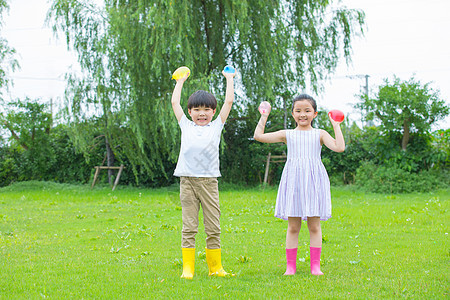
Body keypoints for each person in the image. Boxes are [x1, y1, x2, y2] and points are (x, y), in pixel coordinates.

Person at [253, 94, 345, 276]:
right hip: (293, 182)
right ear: (293, 114)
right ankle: (290, 267)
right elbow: (258, 136)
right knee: (293, 227)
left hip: (314, 182)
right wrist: (264, 116)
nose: (303, 114)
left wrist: (336, 126)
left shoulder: (320, 134)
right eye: (298, 111)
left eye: (307, 111)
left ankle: (315, 266)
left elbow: (339, 147)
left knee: (314, 226)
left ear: (315, 113)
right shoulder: (288, 134)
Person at [171, 68, 236, 279]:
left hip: (209, 183)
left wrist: (229, 79)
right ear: (190, 112)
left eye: (207, 109)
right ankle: (187, 269)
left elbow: (228, 103)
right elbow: (174, 103)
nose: (202, 113)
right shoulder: (186, 126)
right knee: (189, 227)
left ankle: (215, 268)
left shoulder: (216, 126)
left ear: (213, 112)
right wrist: (180, 82)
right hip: (187, 182)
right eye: (197, 109)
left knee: (213, 227)